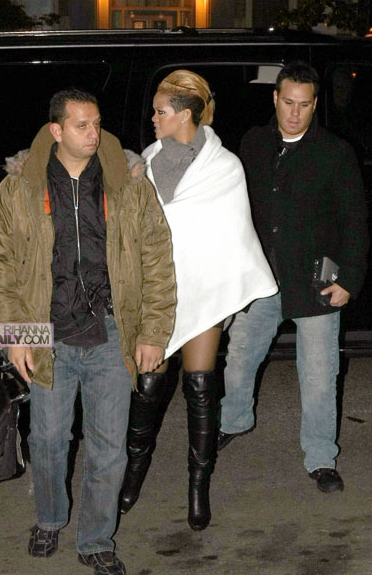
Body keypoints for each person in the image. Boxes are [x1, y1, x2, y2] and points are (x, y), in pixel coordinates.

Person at [0, 88, 176, 575]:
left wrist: (153, 332)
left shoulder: (128, 184)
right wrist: (13, 337)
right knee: (48, 440)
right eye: (82, 125)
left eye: (97, 123)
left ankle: (96, 539)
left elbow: (158, 258)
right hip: (46, 334)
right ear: (57, 130)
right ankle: (49, 518)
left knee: (109, 446)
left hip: (112, 331)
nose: (94, 134)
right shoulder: (20, 189)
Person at [119, 70, 278, 531]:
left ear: (185, 114)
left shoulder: (224, 167)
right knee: (148, 387)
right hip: (156, 294)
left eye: (160, 111)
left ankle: (197, 487)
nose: (152, 118)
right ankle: (132, 475)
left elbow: (231, 235)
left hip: (204, 291)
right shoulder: (146, 161)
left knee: (201, 387)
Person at [218, 61, 369, 493]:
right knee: (239, 358)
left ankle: (320, 458)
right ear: (275, 98)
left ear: (315, 105)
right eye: (288, 102)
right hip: (262, 279)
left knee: (319, 375)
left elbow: (354, 221)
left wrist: (350, 279)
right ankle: (234, 420)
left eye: (304, 105)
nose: (294, 113)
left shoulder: (334, 152)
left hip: (316, 283)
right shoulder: (254, 143)